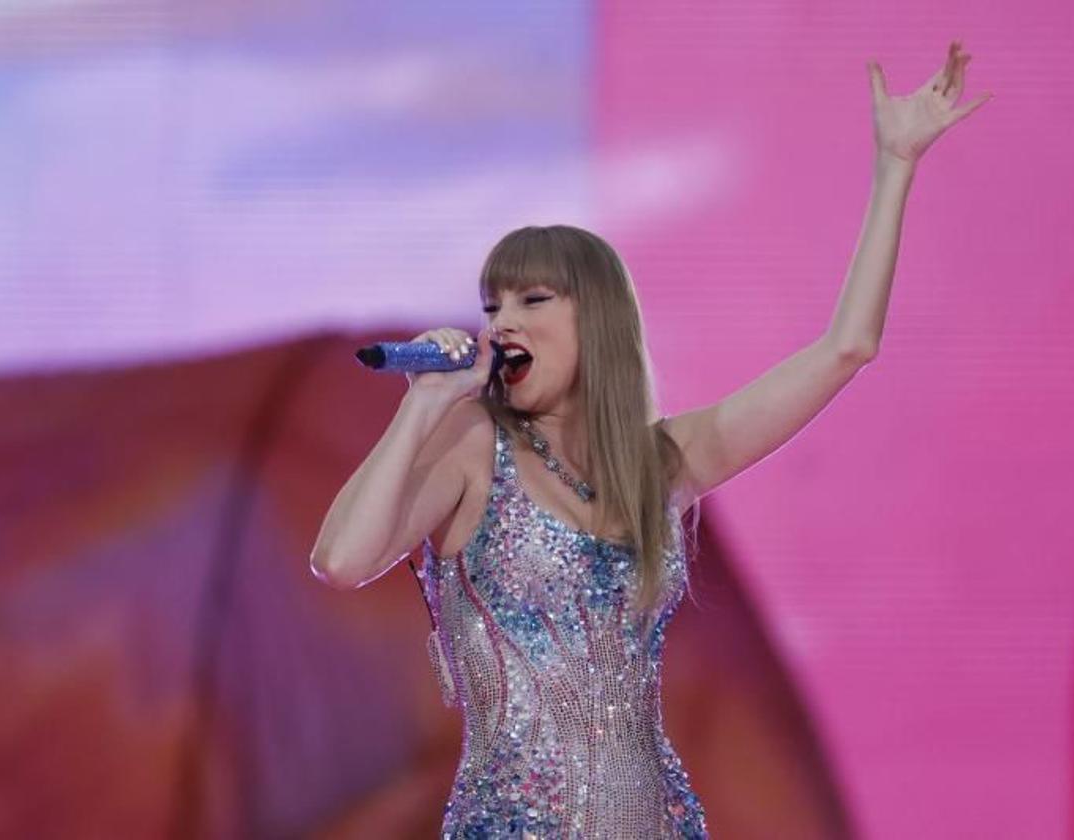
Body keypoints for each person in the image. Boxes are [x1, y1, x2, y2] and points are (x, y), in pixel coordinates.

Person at [310, 41, 989, 839]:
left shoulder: (658, 464)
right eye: (492, 306)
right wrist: (422, 406)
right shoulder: (469, 447)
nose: (503, 323)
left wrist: (895, 167)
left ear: (594, 322)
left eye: (532, 298)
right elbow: (342, 560)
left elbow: (847, 348)